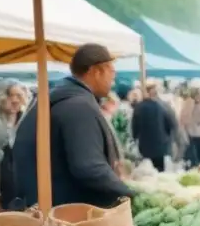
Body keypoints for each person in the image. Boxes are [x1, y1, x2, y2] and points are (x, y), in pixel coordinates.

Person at [14, 43, 132, 208]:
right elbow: (89, 167)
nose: (113, 79)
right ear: (96, 71)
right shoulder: (78, 106)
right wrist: (129, 192)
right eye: (111, 72)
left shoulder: (62, 98)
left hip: (52, 204)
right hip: (70, 212)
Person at [131, 83, 177, 171]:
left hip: (145, 146)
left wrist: (135, 137)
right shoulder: (162, 106)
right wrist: (167, 138)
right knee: (159, 172)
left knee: (147, 171)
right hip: (160, 145)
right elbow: (171, 124)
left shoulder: (138, 107)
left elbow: (135, 128)